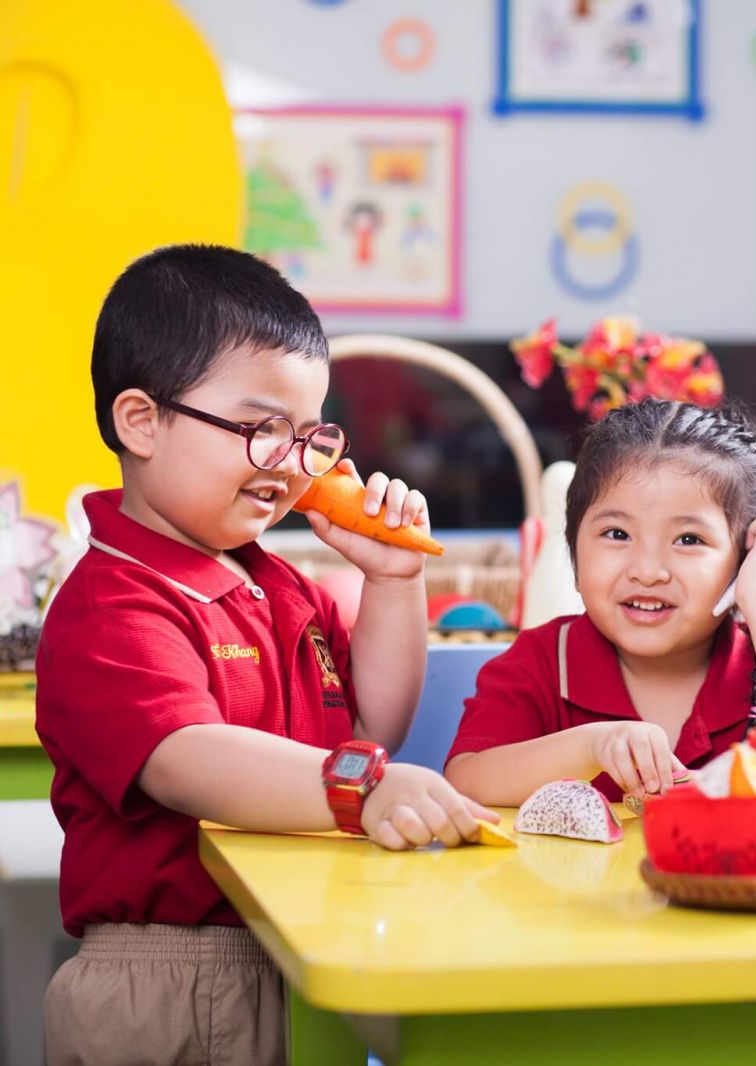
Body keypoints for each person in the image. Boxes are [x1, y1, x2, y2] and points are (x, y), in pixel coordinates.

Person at [35, 244, 495, 1066]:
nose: (291, 465)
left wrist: (393, 582)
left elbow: (369, 724)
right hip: (177, 980)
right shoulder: (112, 602)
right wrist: (363, 789)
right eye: (260, 430)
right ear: (141, 421)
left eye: (307, 434)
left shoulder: (277, 583)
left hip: (296, 946)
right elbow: (184, 759)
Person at [445, 398, 756, 805]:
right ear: (574, 553)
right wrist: (590, 747)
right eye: (617, 534)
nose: (648, 570)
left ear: (747, 557)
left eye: (688, 539)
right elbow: (466, 781)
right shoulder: (541, 662)